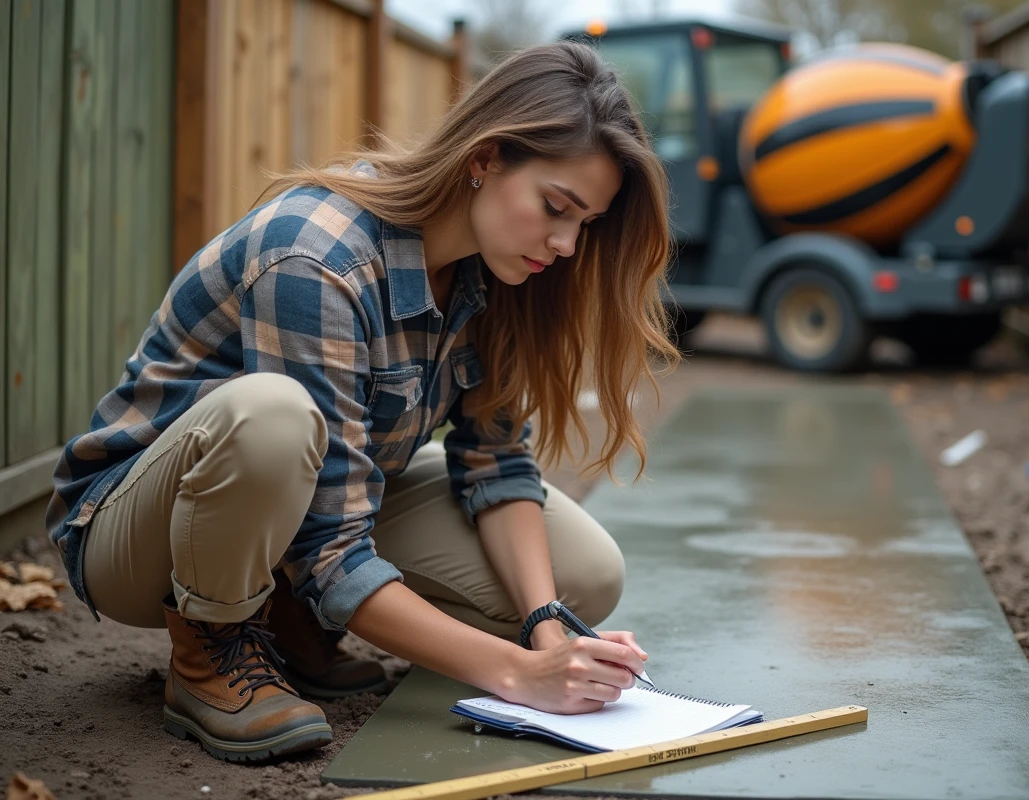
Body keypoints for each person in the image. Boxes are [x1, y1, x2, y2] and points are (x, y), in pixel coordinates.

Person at [45, 41, 678, 763]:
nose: (566, 244)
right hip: (136, 535)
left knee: (588, 574)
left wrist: (546, 629)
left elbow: (496, 464)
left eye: (585, 224)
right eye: (555, 208)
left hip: (311, 508)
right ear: (485, 158)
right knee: (274, 417)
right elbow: (331, 545)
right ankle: (210, 653)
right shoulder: (317, 257)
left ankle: (285, 614)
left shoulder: (497, 270)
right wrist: (517, 674)